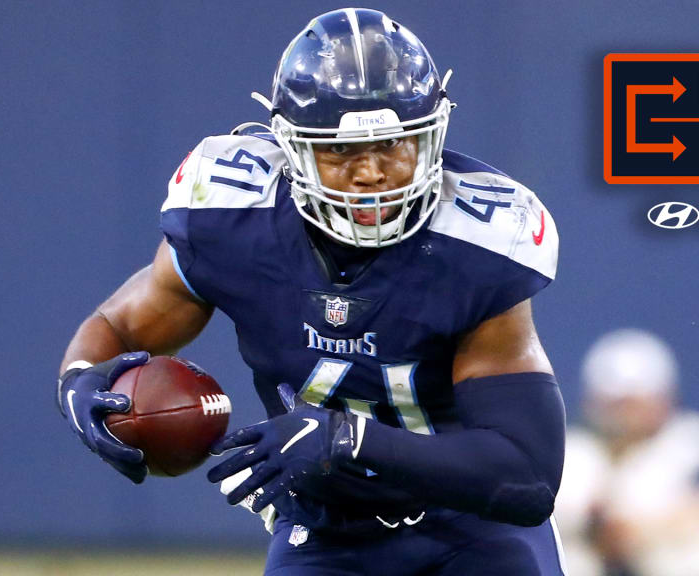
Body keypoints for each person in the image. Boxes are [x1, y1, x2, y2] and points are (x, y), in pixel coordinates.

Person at [55, 8, 566, 575]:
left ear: (431, 139)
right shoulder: (229, 216)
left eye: (394, 146)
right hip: (326, 532)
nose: (371, 172)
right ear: (291, 148)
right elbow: (120, 328)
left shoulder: (476, 244)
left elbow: (526, 476)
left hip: (469, 525)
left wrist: (346, 439)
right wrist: (77, 380)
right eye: (340, 150)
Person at [555, 330, 699, 576]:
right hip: (593, 553)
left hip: (661, 548)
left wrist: (639, 528)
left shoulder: (691, 440)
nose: (628, 415)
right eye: (619, 403)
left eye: (638, 402)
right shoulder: (575, 450)